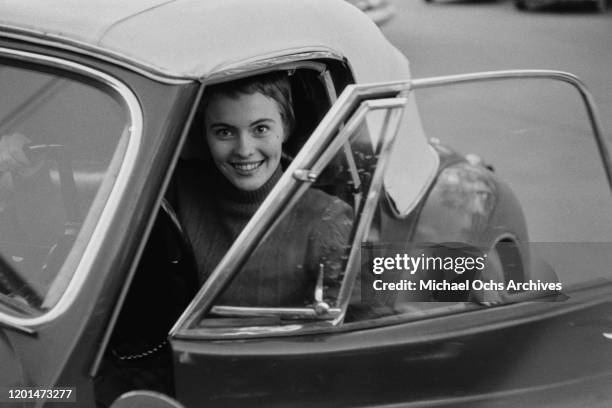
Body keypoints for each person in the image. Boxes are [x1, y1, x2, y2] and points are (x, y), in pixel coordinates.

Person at [176, 71, 353, 307]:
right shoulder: (175, 189)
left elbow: (386, 319)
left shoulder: (330, 217)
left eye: (260, 129)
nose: (244, 149)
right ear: (205, 135)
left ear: (286, 127)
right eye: (224, 132)